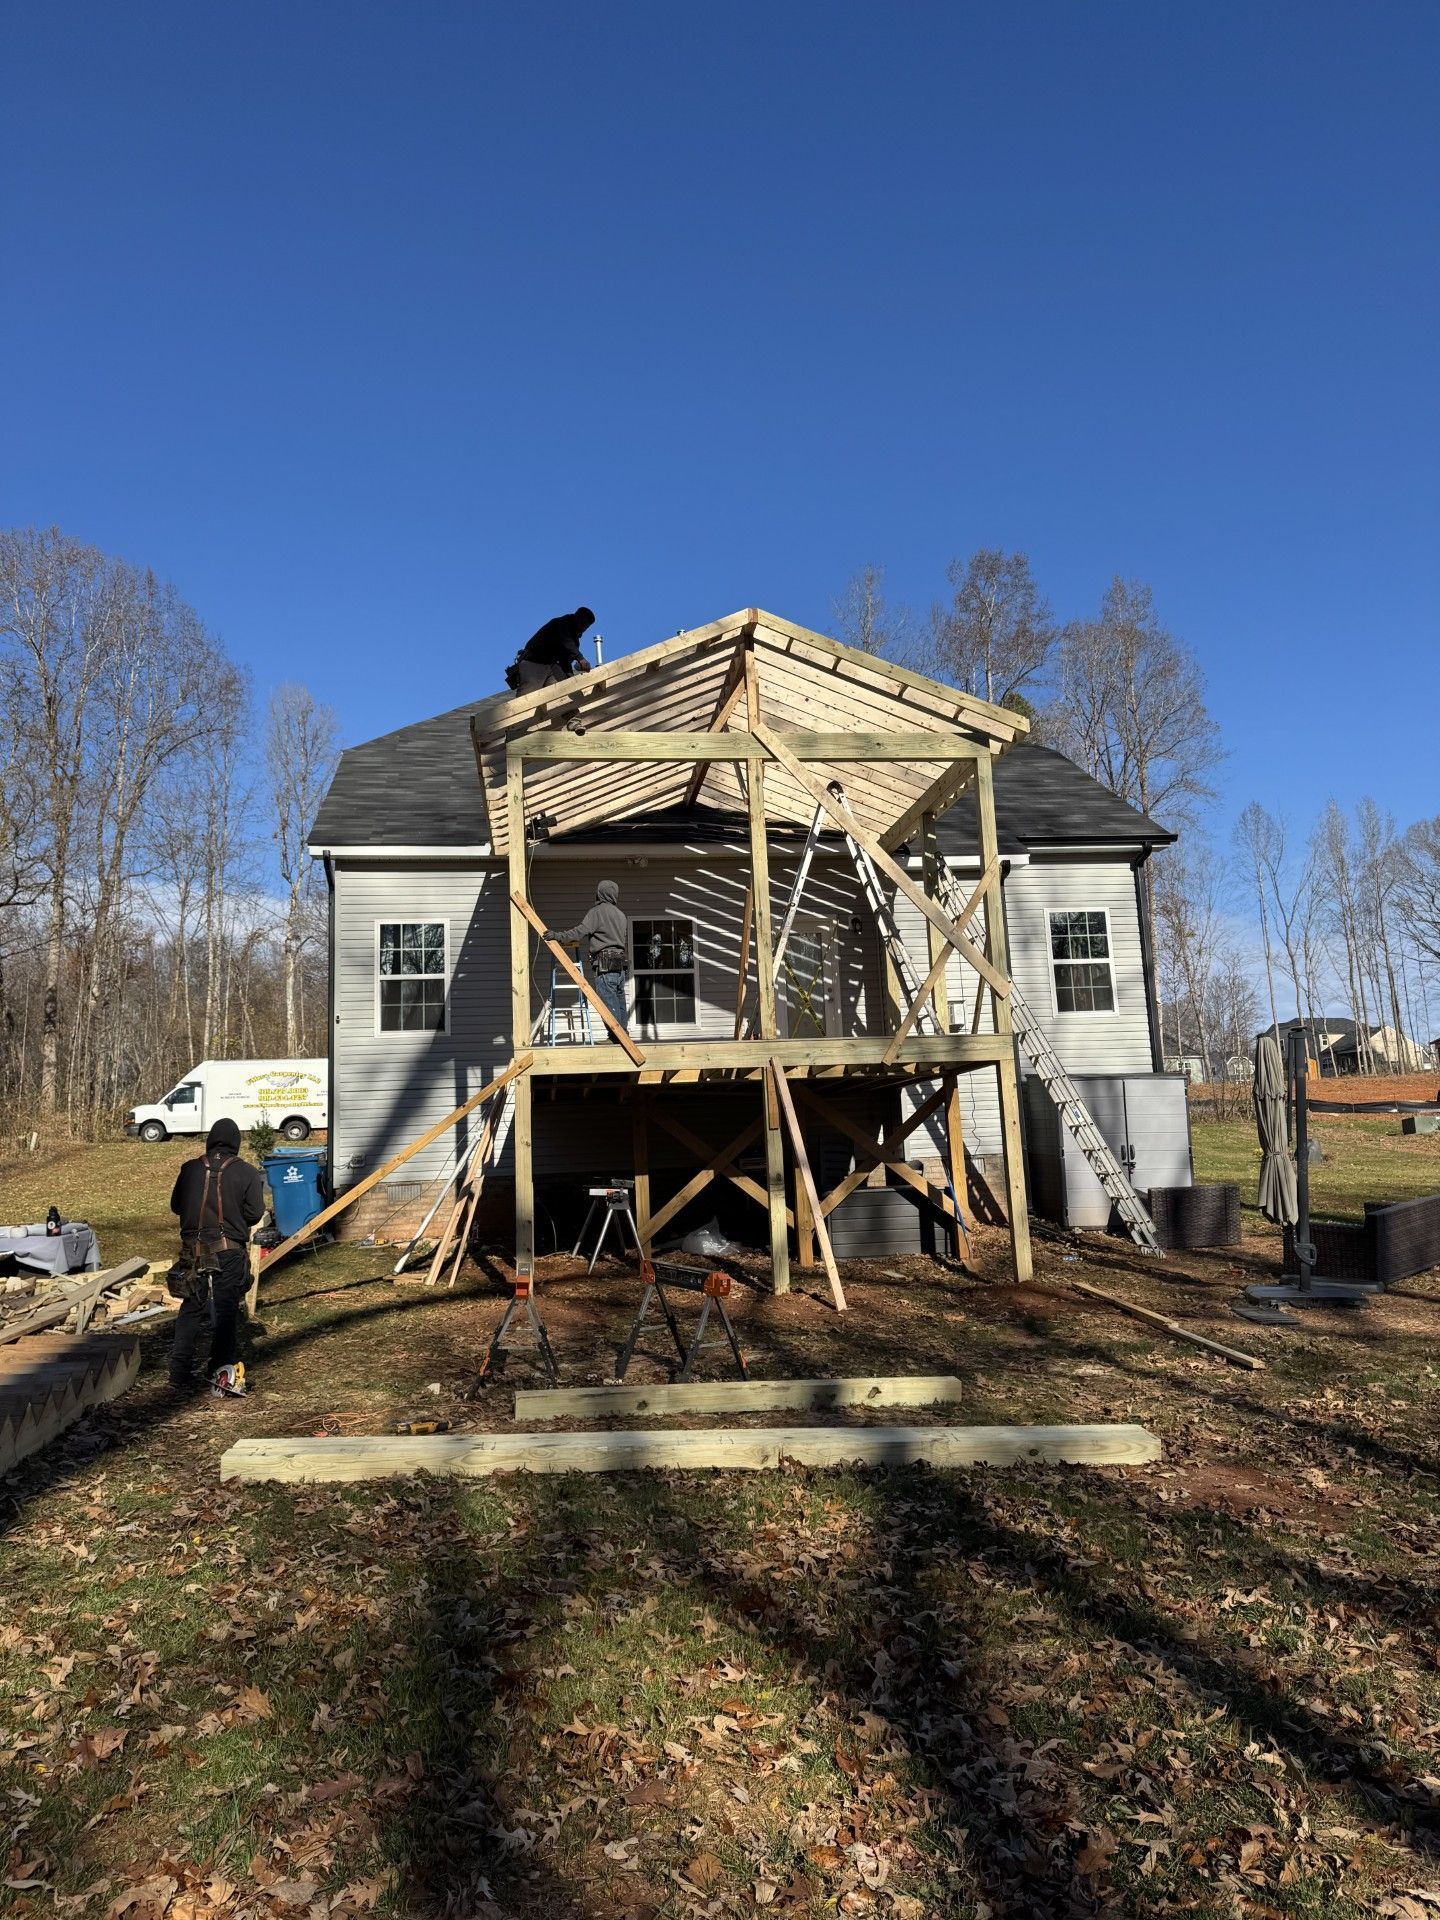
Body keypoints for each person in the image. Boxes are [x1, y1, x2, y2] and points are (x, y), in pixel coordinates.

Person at [168, 1118, 264, 1397]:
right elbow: (255, 1213)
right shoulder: (245, 1172)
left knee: (190, 1310)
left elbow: (176, 1206)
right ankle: (220, 1370)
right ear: (236, 1143)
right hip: (229, 1251)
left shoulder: (189, 1169)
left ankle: (178, 1373)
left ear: (210, 1141)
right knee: (225, 1311)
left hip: (193, 1250)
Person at [547, 880, 629, 1034]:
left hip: (605, 963)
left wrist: (557, 936)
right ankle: (623, 1035)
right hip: (620, 965)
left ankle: (617, 1037)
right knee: (619, 1001)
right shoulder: (621, 915)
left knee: (608, 1004)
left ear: (600, 893)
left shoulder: (597, 912)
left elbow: (579, 932)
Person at [504, 607, 595, 693]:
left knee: (564, 692)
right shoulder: (561, 623)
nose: (583, 629)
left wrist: (570, 678)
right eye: (582, 624)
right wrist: (580, 658)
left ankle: (569, 708)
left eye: (585, 627)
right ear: (576, 618)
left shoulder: (575, 642)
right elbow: (565, 639)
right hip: (534, 662)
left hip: (552, 666)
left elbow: (565, 662)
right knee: (528, 699)